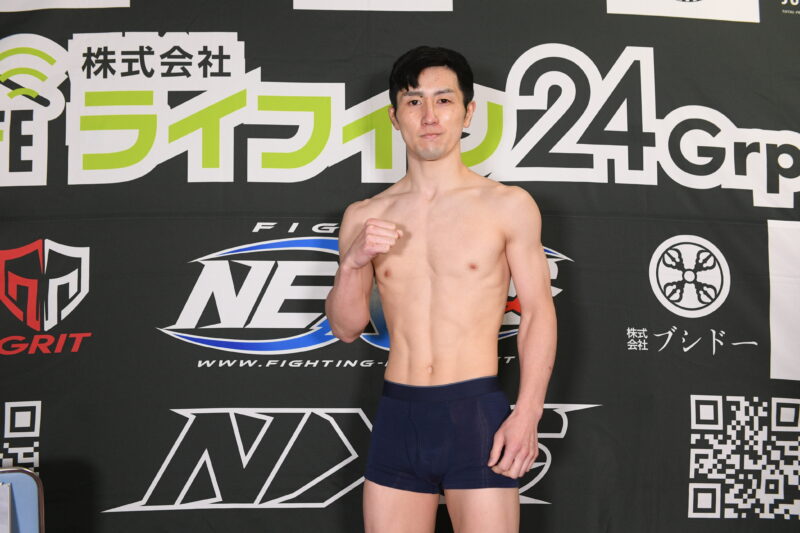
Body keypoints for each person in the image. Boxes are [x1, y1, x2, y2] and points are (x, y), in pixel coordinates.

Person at [324, 46, 557, 533]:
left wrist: (528, 413)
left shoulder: (507, 205)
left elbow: (537, 312)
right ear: (394, 117)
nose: (429, 116)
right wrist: (352, 263)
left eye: (443, 100)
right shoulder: (365, 216)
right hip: (399, 416)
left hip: (477, 415)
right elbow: (346, 328)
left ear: (468, 112)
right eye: (414, 102)